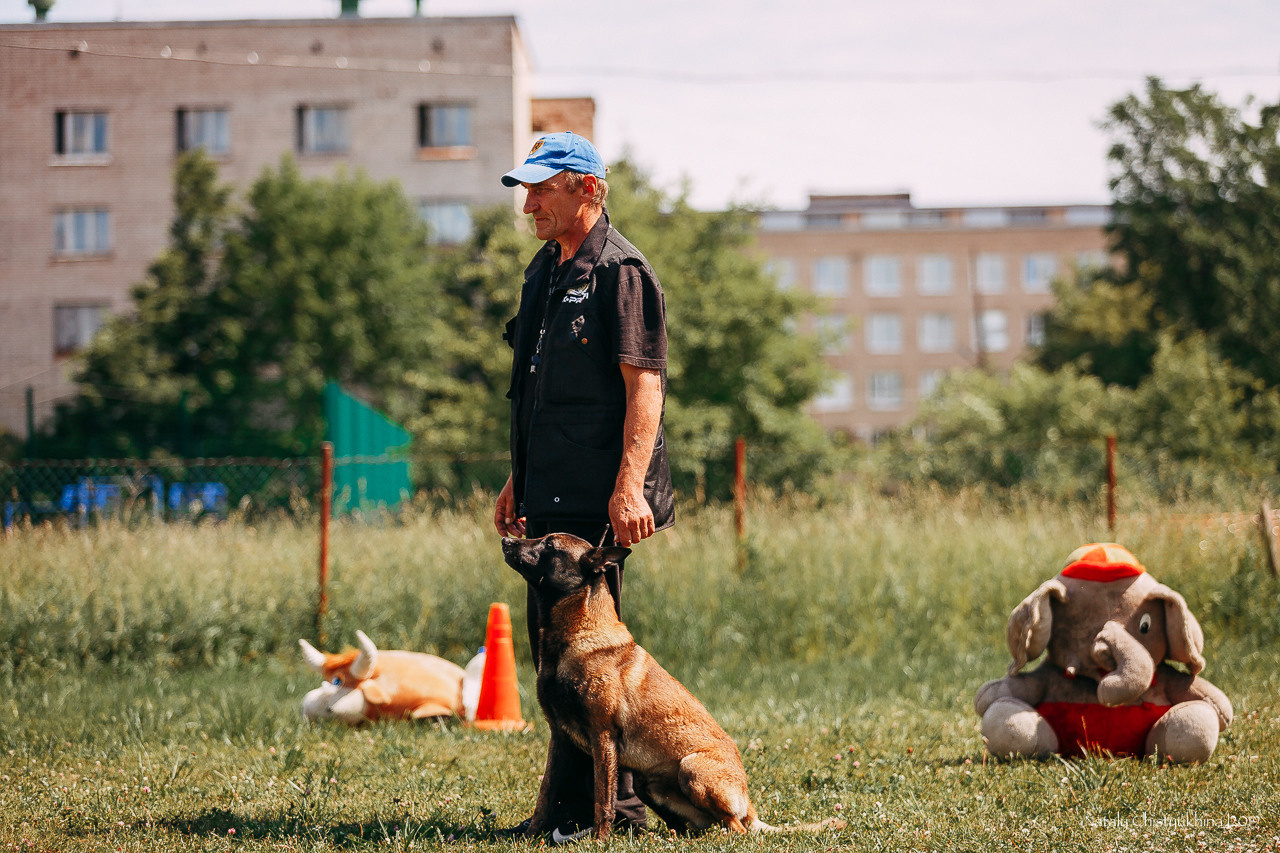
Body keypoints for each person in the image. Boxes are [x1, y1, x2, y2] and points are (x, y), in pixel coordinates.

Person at [492, 131, 675, 843]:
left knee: (592, 663)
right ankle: (565, 813)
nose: (529, 202)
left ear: (588, 189)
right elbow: (539, 390)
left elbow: (645, 389)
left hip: (600, 500)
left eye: (543, 187)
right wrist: (519, 477)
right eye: (526, 189)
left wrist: (628, 489)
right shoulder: (546, 268)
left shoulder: (622, 272)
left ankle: (616, 814)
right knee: (558, 659)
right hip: (549, 491)